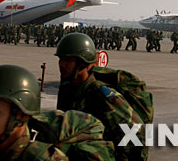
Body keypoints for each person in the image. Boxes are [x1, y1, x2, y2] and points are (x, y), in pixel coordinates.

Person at [55, 33, 149, 161]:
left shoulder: (102, 95)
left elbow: (136, 133)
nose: (62, 64)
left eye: (68, 60)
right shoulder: (68, 89)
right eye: (61, 59)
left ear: (82, 63)